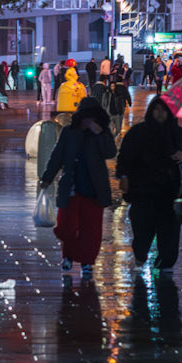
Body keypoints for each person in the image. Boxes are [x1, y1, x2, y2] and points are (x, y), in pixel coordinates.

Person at [116, 96, 182, 275]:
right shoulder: (138, 133)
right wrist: (124, 176)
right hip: (143, 192)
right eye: (157, 110)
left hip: (170, 193)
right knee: (142, 231)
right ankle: (141, 256)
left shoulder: (179, 135)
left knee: (169, 233)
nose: (160, 114)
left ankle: (165, 265)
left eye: (164, 110)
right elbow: (125, 156)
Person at [41, 95, 116, 277]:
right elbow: (57, 155)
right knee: (66, 226)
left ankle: (86, 261)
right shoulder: (69, 132)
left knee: (91, 229)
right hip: (71, 187)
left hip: (94, 188)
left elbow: (110, 152)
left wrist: (100, 133)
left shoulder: (102, 133)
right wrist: (47, 177)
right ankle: (69, 255)